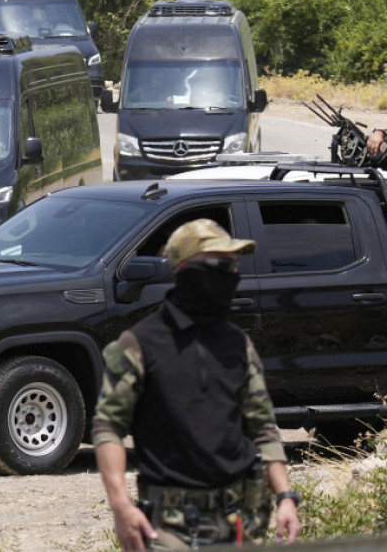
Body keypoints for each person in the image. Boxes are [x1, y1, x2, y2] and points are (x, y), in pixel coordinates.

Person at [93, 219, 301, 550]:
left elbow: (262, 427)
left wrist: (285, 497)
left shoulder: (238, 344)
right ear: (185, 270)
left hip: (241, 521)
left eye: (234, 266)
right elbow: (108, 428)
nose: (231, 274)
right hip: (170, 526)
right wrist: (120, 506)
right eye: (221, 265)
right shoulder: (139, 344)